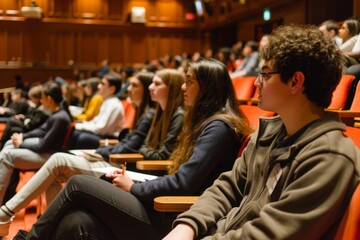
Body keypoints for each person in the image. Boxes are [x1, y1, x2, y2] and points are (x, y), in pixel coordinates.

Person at [12, 58, 252, 240]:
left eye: (189, 81)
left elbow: (183, 184)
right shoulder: (208, 123)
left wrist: (135, 187)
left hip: (179, 218)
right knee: (77, 222)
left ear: (208, 88)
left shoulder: (219, 127)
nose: (183, 87)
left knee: (78, 184)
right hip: (167, 207)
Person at [163, 24, 360, 240]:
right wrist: (188, 226)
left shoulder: (329, 157)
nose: (256, 82)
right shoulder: (269, 133)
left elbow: (269, 235)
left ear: (295, 81)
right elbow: (227, 187)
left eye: (265, 74)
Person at [0, 72, 158, 237]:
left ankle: (6, 213)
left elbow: (130, 146)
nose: (128, 89)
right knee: (57, 165)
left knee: (59, 159)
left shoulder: (147, 114)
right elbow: (128, 144)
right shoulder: (142, 112)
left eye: (134, 85)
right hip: (114, 157)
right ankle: (46, 228)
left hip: (122, 167)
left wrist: (98, 151)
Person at [0, 82, 72, 232]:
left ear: (50, 98)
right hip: (45, 153)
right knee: (8, 145)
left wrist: (21, 143)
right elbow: (39, 131)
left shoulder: (60, 117)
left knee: (7, 154)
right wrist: (22, 136)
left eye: (43, 98)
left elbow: (42, 146)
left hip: (50, 157)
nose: (41, 101)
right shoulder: (56, 114)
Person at [69, 73, 125, 149]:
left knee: (82, 137)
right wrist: (78, 126)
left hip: (109, 139)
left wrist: (79, 126)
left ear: (112, 89)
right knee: (74, 132)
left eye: (103, 84)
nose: (98, 86)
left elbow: (101, 129)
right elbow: (95, 122)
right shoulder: (106, 101)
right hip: (102, 135)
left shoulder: (114, 105)